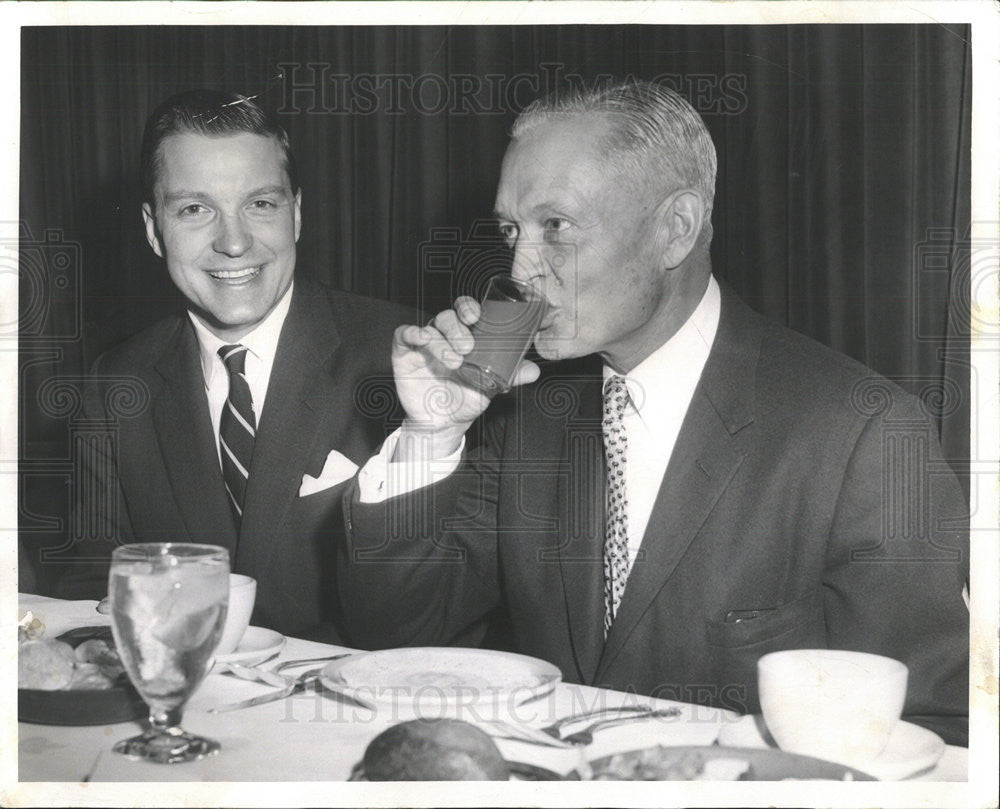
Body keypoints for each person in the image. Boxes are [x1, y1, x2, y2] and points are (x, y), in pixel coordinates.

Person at [337, 81, 970, 744]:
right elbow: (399, 643)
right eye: (511, 230)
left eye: (556, 226)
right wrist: (431, 431)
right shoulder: (525, 415)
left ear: (676, 229)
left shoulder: (862, 433)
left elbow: (932, 727)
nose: (521, 270)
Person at [58, 90, 414, 641]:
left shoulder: (406, 358)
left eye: (260, 204)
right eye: (195, 209)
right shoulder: (114, 385)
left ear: (296, 213)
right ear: (154, 230)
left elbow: (454, 610)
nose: (233, 242)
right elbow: (96, 589)